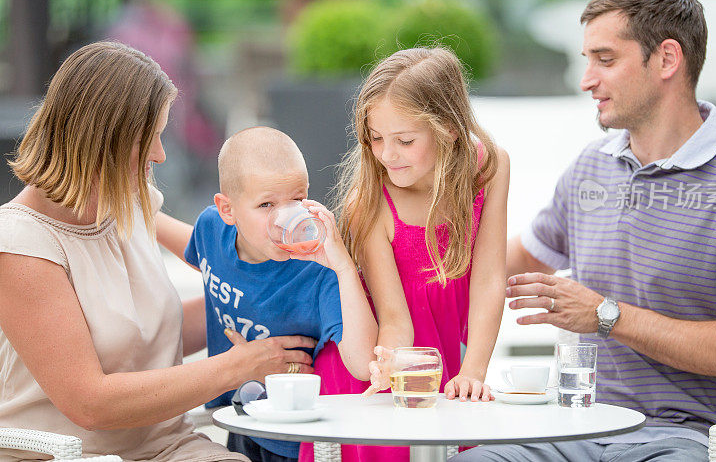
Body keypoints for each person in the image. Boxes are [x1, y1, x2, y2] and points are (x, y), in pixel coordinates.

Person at [452, 0, 716, 462]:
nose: (586, 79)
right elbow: (506, 264)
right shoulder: (591, 168)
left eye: (605, 60)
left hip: (689, 439)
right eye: (587, 59)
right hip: (576, 428)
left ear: (667, 60)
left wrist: (607, 316)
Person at [0, 41, 318, 462]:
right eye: (147, 139)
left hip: (168, 446)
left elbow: (202, 285)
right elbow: (90, 404)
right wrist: (241, 366)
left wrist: (284, 297)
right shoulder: (20, 244)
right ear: (101, 139)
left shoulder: (127, 201)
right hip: (69, 454)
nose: (160, 154)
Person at [329, 46, 510, 462]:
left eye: (404, 141)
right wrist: (389, 363)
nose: (387, 154)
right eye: (375, 139)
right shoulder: (371, 201)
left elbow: (487, 280)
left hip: (448, 372)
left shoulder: (490, 167)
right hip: (384, 374)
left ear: (447, 128)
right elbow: (394, 319)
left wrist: (474, 372)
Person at [177, 126, 378, 462]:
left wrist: (343, 268)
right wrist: (148, 219)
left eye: (297, 199)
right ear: (228, 210)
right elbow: (205, 258)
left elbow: (362, 364)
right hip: (241, 419)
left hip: (293, 437)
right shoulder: (209, 228)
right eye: (266, 204)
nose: (287, 216)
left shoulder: (318, 271)